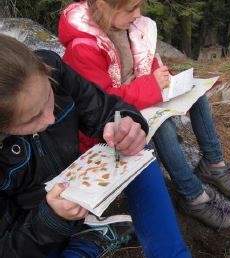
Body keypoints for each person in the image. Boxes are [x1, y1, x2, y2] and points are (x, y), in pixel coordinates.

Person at [58, 0, 230, 229]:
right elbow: (101, 103)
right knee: (163, 127)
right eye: (131, 8)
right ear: (102, 6)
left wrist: (167, 79)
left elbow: (148, 64)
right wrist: (152, 87)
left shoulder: (132, 28)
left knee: (196, 95)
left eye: (140, 5)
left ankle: (213, 163)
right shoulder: (83, 47)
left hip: (137, 99)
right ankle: (193, 197)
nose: (138, 14)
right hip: (107, 126)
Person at [0, 34, 191, 258]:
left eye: (48, 96)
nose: (50, 118)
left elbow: (103, 107)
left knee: (136, 154)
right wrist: (49, 220)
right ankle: (87, 243)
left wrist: (127, 123)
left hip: (79, 184)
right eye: (31, 119)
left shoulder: (52, 68)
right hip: (34, 228)